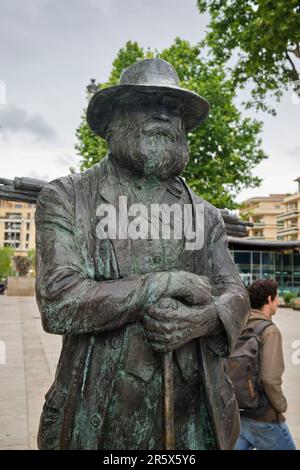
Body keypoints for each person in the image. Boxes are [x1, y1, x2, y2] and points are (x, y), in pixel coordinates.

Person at [35, 58, 250, 450]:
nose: (162, 114)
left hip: (194, 422)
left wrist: (204, 319)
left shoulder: (205, 215)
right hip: (99, 418)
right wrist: (163, 283)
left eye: (173, 108)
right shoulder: (66, 198)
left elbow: (235, 293)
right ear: (113, 120)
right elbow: (59, 300)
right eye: (144, 102)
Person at [235, 279, 296, 450]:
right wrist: (281, 406)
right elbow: (270, 379)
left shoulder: (239, 328)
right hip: (264, 417)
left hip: (238, 414)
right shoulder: (269, 331)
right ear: (269, 299)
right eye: (276, 298)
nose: (277, 302)